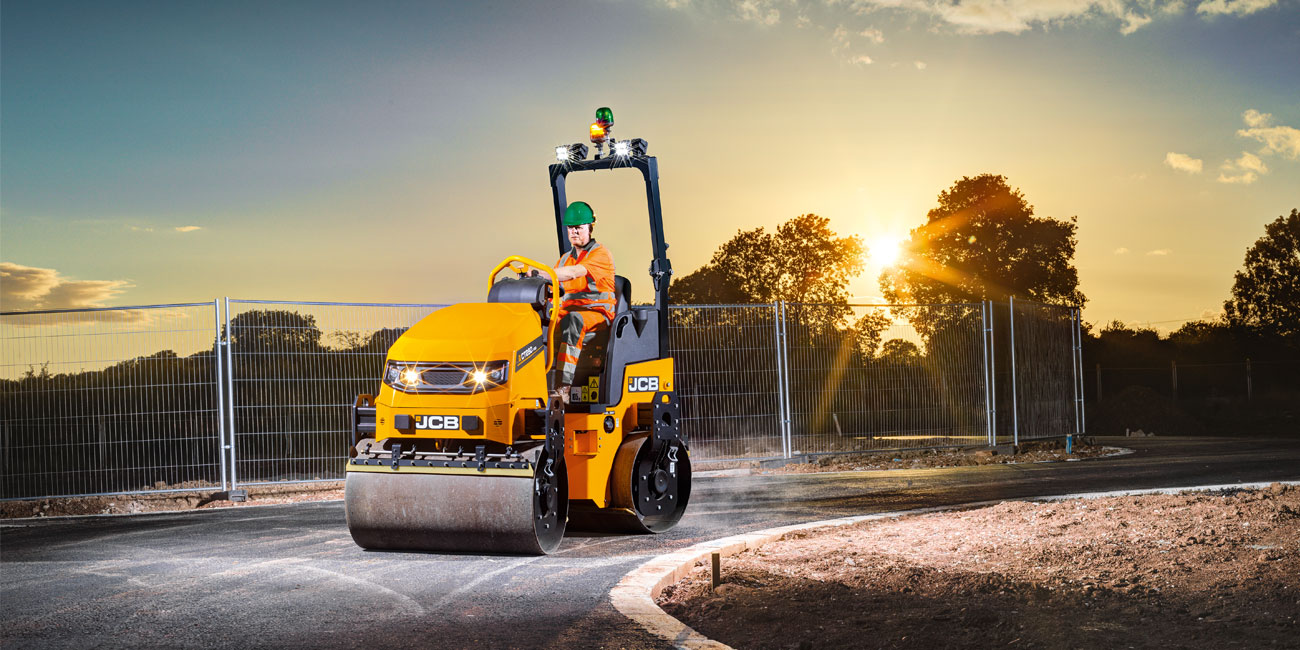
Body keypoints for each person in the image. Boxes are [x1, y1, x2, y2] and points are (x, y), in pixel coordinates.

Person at [550, 201, 616, 404]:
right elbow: (554, 285)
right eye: (571, 228)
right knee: (541, 321)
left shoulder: (600, 254)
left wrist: (541, 273)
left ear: (590, 227)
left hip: (597, 314)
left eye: (578, 227)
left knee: (573, 321)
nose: (574, 232)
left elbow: (574, 273)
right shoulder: (564, 259)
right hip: (570, 311)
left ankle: (563, 387)